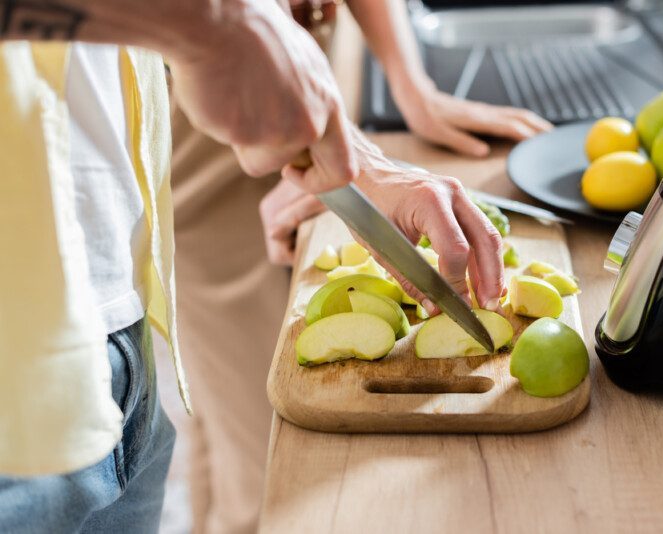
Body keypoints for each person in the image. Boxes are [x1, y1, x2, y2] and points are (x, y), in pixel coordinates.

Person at [0, 0, 508, 531]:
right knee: (264, 491)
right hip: (20, 378)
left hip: (113, 319)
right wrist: (217, 24)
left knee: (226, 456)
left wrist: (355, 158)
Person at [169, 0, 552, 532]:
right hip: (202, 52)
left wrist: (407, 79)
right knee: (266, 460)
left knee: (224, 408)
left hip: (307, 48)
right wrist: (228, 24)